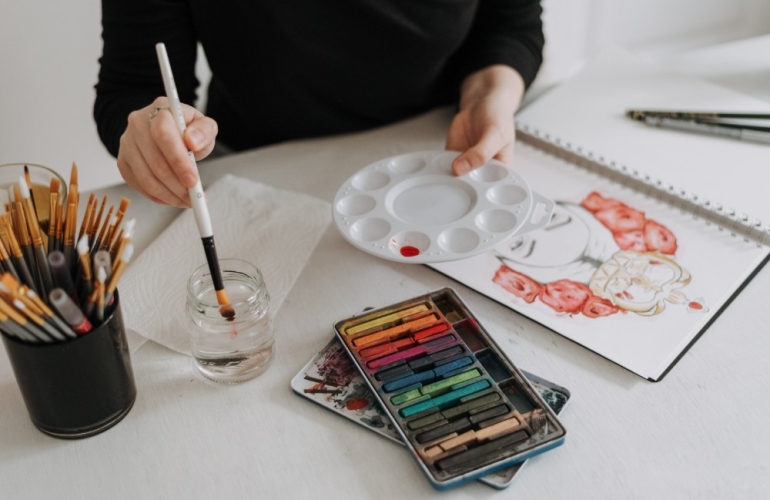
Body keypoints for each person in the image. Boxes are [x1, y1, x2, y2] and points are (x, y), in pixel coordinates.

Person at [94, 0, 545, 208]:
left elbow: (509, 25)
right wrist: (152, 129)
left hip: (438, 158)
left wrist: (490, 97)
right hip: (258, 176)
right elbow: (132, 86)